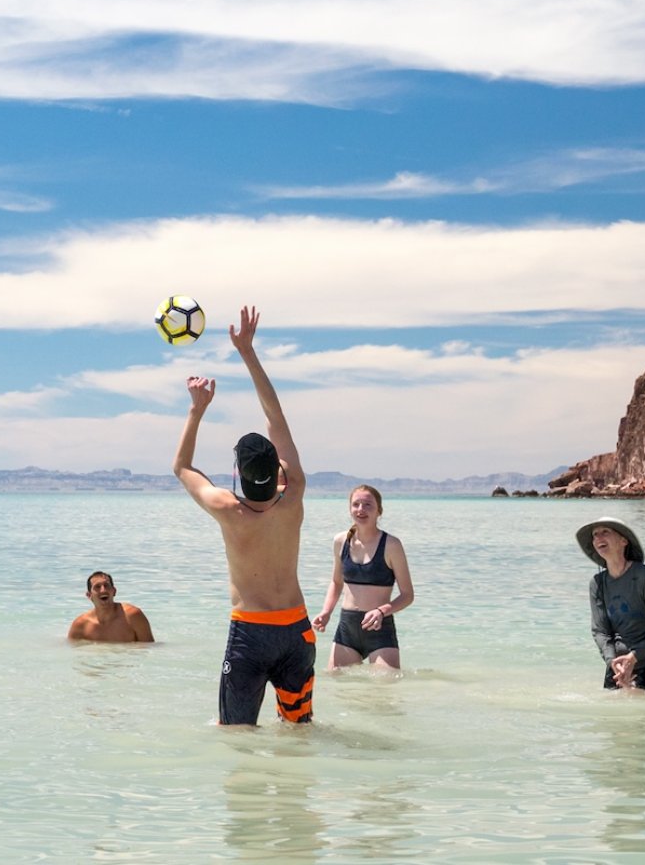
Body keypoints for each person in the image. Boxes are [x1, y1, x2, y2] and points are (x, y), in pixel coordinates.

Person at [172, 306, 314, 726]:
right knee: (298, 734)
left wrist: (197, 409)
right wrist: (248, 353)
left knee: (235, 735)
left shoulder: (229, 510)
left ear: (237, 475)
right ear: (278, 470)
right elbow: (276, 418)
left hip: (251, 634)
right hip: (297, 632)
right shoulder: (294, 495)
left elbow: (182, 467)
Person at [311, 485, 415, 670]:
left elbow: (407, 595)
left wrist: (381, 611)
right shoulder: (341, 541)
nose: (361, 509)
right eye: (356, 504)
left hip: (380, 628)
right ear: (350, 509)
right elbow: (336, 582)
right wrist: (326, 612)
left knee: (383, 692)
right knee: (340, 690)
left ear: (379, 511)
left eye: (368, 505)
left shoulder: (391, 545)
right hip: (347, 628)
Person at [578, 516, 645, 695]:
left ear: (624, 541)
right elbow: (600, 631)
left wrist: (633, 657)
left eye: (605, 532)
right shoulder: (597, 583)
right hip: (618, 666)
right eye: (595, 535)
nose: (599, 538)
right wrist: (612, 662)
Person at [68, 571, 155, 642]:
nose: (103, 590)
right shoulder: (81, 625)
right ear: (89, 595)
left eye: (106, 585)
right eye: (97, 587)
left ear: (114, 591)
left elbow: (149, 650)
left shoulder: (132, 616)